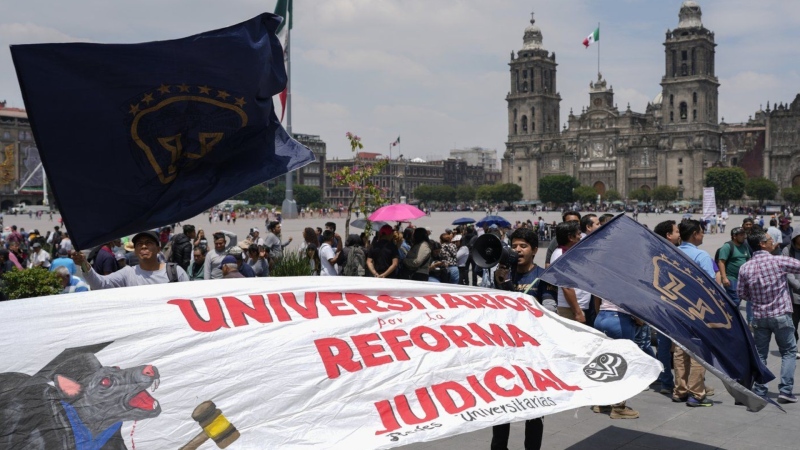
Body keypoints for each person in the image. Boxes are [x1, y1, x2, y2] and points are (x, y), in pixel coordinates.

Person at [489, 228, 555, 449]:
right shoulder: (502, 275)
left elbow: (549, 310)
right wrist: (500, 283)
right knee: (501, 408)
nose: (517, 250)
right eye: (514, 245)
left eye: (523, 246)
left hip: (533, 355)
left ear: (534, 250)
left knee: (534, 412)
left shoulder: (542, 277)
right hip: (505, 352)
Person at [738, 231, 799, 403]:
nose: (774, 243)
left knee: (761, 354)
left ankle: (760, 390)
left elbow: (742, 293)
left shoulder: (745, 267)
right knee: (788, 351)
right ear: (762, 244)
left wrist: (758, 298)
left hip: (759, 316)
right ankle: (786, 390)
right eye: (771, 240)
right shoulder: (778, 261)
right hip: (781, 315)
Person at [675, 220, 713, 407]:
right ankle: (696, 392)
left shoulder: (672, 253)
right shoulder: (701, 256)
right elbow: (710, 287)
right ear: (695, 234)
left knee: (680, 351)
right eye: (701, 232)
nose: (703, 235)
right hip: (697, 310)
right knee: (698, 351)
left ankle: (680, 389)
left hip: (675, 308)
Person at [74, 231, 189, 289]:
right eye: (139, 244)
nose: (144, 246)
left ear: (158, 249)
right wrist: (84, 264)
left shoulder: (175, 272)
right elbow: (100, 284)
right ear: (135, 250)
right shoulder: (128, 273)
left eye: (148, 243)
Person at [781, 227, 800, 359]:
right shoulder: (787, 250)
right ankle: (794, 347)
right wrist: (798, 285)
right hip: (794, 295)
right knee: (793, 324)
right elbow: (786, 271)